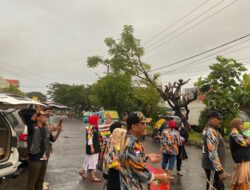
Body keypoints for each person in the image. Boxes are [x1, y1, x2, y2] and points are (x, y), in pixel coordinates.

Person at [119, 111, 169, 190]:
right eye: (143, 124)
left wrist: (146, 156)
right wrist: (161, 177)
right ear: (134, 126)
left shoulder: (125, 139)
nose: (145, 126)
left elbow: (130, 160)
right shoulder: (134, 145)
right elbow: (142, 174)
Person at [26, 111, 51, 190]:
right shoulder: (33, 129)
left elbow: (47, 140)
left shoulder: (43, 128)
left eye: (45, 116)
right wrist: (36, 112)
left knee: (40, 180)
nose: (45, 117)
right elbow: (30, 122)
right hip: (35, 158)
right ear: (38, 117)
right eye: (43, 116)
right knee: (32, 181)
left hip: (44, 157)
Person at [202, 111, 226, 190]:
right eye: (218, 119)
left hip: (213, 166)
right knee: (212, 187)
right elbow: (212, 152)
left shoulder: (211, 130)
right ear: (211, 119)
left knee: (214, 186)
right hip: (212, 166)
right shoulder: (210, 131)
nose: (220, 121)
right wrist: (220, 171)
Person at [102, 121, 126, 190]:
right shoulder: (116, 142)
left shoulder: (111, 137)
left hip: (107, 168)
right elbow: (115, 164)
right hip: (112, 171)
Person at [229, 118, 250, 190]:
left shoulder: (239, 133)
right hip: (241, 162)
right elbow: (243, 143)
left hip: (244, 161)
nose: (242, 126)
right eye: (241, 124)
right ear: (236, 125)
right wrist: (248, 140)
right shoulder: (234, 133)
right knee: (241, 183)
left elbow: (245, 139)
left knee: (243, 182)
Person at [79, 115, 101, 182]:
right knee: (92, 161)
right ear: (94, 120)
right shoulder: (91, 128)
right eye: (97, 120)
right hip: (93, 147)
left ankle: (82, 171)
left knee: (87, 160)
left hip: (94, 146)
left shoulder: (93, 127)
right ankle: (93, 177)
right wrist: (92, 147)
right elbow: (90, 138)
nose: (98, 121)